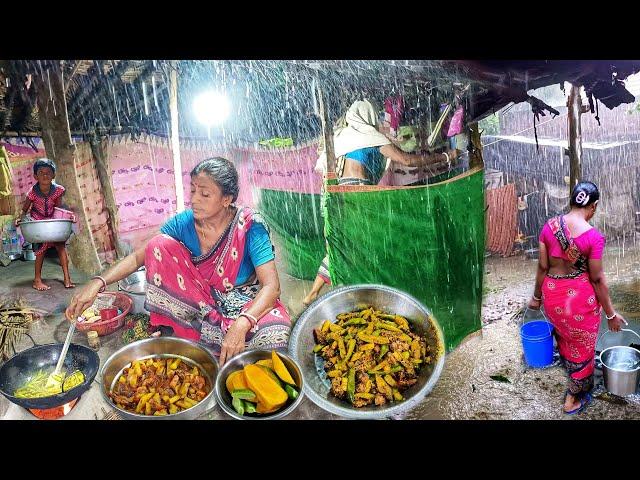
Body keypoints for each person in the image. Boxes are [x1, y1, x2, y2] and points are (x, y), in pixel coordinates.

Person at [66, 157, 291, 365]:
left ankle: (206, 341)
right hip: (204, 302)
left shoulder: (250, 226)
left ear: (227, 199)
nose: (194, 200)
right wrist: (97, 283)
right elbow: (138, 257)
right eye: (192, 190)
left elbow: (271, 287)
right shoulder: (185, 223)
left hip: (246, 303)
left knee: (277, 336)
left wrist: (242, 324)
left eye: (204, 194)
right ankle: (194, 335)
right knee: (159, 245)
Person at [302, 99, 459, 306]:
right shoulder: (368, 136)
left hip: (334, 196)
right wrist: (445, 156)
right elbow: (407, 160)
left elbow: (323, 168)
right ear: (368, 116)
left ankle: (316, 294)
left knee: (341, 244)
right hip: (357, 192)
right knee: (363, 245)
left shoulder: (341, 136)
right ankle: (359, 293)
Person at [528, 181, 625, 415]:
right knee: (583, 347)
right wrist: (611, 315)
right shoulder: (594, 238)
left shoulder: (548, 226)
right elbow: (597, 279)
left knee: (565, 338)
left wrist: (536, 297)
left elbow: (542, 266)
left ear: (571, 200)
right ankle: (572, 398)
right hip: (578, 303)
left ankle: (574, 376)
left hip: (553, 298)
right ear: (594, 206)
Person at [15, 158, 76, 290]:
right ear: (35, 176)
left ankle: (67, 279)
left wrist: (68, 216)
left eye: (48, 172)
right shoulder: (32, 193)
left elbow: (59, 209)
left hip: (52, 220)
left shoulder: (58, 190)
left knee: (61, 246)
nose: (45, 175)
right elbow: (25, 210)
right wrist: (20, 219)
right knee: (41, 250)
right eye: (41, 172)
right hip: (38, 222)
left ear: (53, 175)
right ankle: (37, 280)